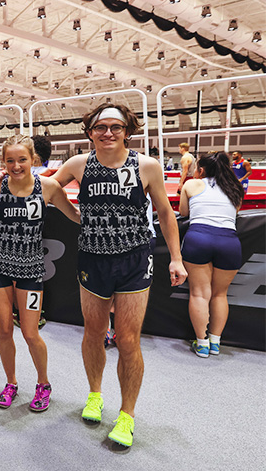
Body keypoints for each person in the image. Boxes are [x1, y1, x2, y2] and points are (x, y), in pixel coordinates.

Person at [50, 103, 187, 447]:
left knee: (127, 340)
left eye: (115, 126)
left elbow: (166, 215)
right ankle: (94, 395)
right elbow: (45, 189)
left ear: (127, 130)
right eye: (100, 127)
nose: (107, 132)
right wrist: (73, 213)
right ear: (90, 131)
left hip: (134, 260)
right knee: (94, 332)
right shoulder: (79, 164)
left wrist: (176, 258)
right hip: (92, 260)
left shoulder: (147, 166)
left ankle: (127, 415)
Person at [0, 135, 79, 413]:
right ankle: (11, 383)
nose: (16, 165)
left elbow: (75, 216)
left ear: (33, 159)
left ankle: (43, 384)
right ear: (3, 162)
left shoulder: (49, 187)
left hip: (31, 268)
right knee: (5, 331)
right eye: (10, 160)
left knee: (31, 334)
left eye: (22, 159)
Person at [179, 152, 244, 358]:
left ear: (201, 170)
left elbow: (183, 213)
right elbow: (235, 212)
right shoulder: (235, 189)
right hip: (229, 242)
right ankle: (215, 342)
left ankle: (202, 344)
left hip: (199, 238)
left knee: (199, 294)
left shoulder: (191, 185)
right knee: (220, 294)